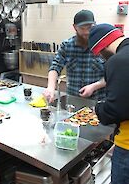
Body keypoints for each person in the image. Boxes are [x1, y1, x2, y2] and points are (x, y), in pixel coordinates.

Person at [88, 23, 129, 183]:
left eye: (98, 53)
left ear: (102, 47)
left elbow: (116, 110)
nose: (101, 57)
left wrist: (98, 108)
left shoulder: (118, 60)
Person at [43, 10, 106, 102]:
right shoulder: (67, 46)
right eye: (82, 28)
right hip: (73, 100)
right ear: (75, 27)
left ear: (95, 25)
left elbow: (113, 75)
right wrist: (50, 88)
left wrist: (94, 86)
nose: (86, 32)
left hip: (99, 100)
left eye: (89, 28)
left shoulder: (104, 46)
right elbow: (55, 67)